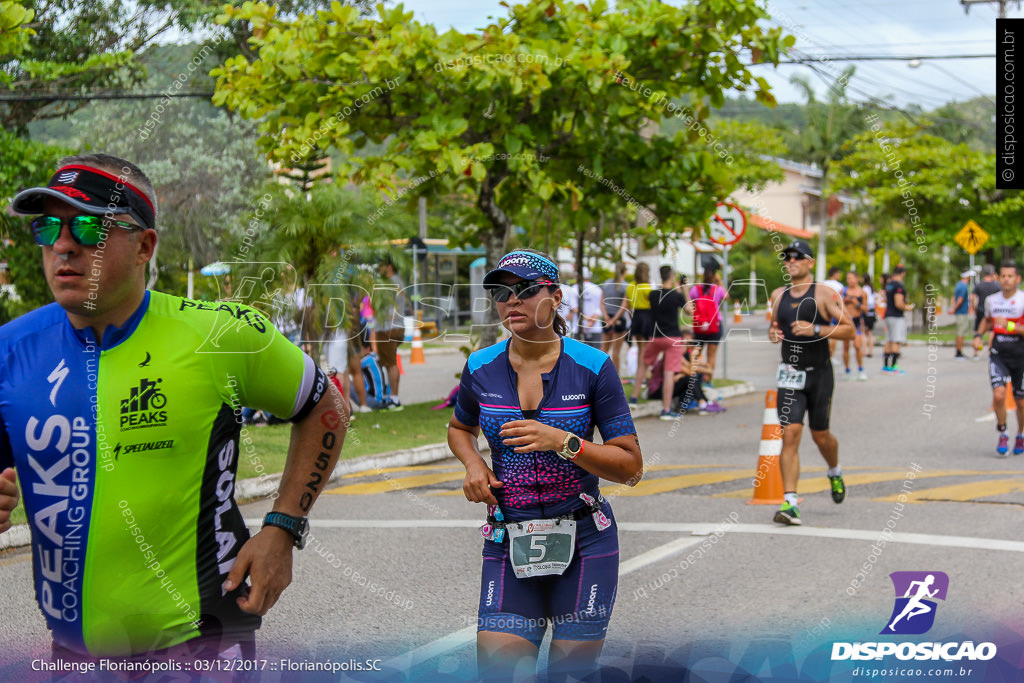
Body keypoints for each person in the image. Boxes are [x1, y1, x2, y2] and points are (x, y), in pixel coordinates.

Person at [0, 153, 346, 664]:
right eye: (49, 227)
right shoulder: (10, 350)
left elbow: (326, 406)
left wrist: (283, 528)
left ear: (145, 245)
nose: (63, 244)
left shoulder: (220, 334)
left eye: (90, 226)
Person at [448, 248, 642, 682]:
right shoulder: (480, 367)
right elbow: (460, 428)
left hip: (586, 539)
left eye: (525, 290)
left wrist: (565, 442)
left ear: (554, 297)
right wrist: (473, 465)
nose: (511, 300)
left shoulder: (593, 367)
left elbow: (630, 466)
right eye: (501, 292)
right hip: (508, 535)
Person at [768, 240, 854, 526]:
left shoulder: (824, 294)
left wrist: (815, 329)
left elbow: (849, 330)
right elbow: (775, 324)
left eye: (797, 257)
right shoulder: (779, 295)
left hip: (819, 374)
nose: (790, 261)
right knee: (790, 433)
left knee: (821, 436)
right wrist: (773, 332)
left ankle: (834, 470)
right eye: (787, 257)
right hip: (790, 374)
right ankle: (790, 503)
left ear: (809, 262)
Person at [974, 263, 1024, 456]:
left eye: (1010, 276)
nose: (1006, 279)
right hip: (998, 355)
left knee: (1020, 402)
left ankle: (1021, 434)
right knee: (999, 395)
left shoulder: (1022, 300)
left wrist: (1010, 327)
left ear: (1017, 279)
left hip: (1021, 357)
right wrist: (978, 335)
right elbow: (987, 320)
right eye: (1003, 276)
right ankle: (1003, 432)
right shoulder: (991, 301)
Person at [647, 265, 689, 420]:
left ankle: (636, 396)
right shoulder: (676, 296)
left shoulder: (652, 294)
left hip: (655, 337)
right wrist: (684, 289)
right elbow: (690, 310)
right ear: (672, 276)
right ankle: (666, 409)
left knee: (643, 364)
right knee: (669, 373)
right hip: (673, 338)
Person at [374, 258, 409, 408]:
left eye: (381, 265)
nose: (379, 268)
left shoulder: (388, 282)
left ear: (389, 267)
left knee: (390, 364)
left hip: (387, 327)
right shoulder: (399, 281)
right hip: (398, 326)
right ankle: (391, 396)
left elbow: (377, 304)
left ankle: (394, 399)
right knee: (389, 363)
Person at [688, 269, 728, 387]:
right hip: (714, 325)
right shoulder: (718, 289)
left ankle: (695, 378)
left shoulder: (696, 289)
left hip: (699, 326)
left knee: (695, 353)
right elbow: (726, 296)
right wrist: (720, 281)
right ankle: (708, 380)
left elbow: (691, 303)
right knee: (711, 355)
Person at [627, 262, 654, 406]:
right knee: (645, 353)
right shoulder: (647, 287)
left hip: (636, 317)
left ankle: (642, 378)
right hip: (646, 318)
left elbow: (628, 304)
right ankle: (641, 381)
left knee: (641, 353)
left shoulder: (631, 286)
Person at [883, 265, 914, 374]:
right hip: (896, 316)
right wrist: (908, 307)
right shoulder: (898, 286)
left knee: (889, 340)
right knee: (896, 340)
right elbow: (899, 303)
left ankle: (886, 366)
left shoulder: (889, 285)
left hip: (888, 315)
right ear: (903, 273)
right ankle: (894, 366)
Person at [600, 261, 630, 373]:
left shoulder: (607, 284)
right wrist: (614, 320)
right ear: (625, 272)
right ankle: (616, 377)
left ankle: (598, 373)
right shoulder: (625, 286)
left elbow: (601, 302)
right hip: (618, 319)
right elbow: (624, 306)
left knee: (604, 350)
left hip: (607, 318)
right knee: (616, 351)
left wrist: (606, 317)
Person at [841, 270, 868, 381]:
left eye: (851, 278)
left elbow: (866, 309)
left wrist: (857, 304)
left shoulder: (862, 292)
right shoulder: (843, 291)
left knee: (857, 346)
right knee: (846, 346)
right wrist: (845, 300)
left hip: (856, 321)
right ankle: (847, 370)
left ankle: (860, 369)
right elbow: (837, 304)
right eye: (848, 278)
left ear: (857, 279)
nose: (850, 281)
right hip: (846, 321)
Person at [973, 264, 1000, 362]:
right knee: (992, 331)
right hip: (992, 311)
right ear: (993, 273)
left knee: (977, 330)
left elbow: (973, 297)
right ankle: (990, 351)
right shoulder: (996, 285)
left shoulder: (979, 285)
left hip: (980, 310)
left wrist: (973, 307)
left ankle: (975, 352)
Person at [578, 267, 604, 348]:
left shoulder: (575, 287)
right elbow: (601, 307)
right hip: (596, 327)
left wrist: (585, 318)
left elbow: (574, 308)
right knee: (595, 357)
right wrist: (592, 321)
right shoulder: (598, 289)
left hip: (579, 327)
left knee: (578, 357)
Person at [953, 270, 973, 360]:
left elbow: (954, 298)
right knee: (961, 332)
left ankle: (958, 352)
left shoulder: (958, 284)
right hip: (962, 312)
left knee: (959, 332)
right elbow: (960, 300)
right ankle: (959, 353)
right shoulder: (964, 286)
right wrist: (955, 308)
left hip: (959, 312)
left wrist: (953, 307)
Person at [862, 274, 877, 358]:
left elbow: (866, 302)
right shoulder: (872, 289)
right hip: (872, 312)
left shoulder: (864, 289)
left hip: (866, 311)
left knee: (863, 332)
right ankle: (871, 351)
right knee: (870, 333)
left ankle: (864, 351)